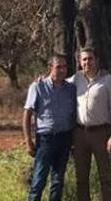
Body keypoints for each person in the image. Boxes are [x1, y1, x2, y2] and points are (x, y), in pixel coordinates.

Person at [70, 47, 111, 201]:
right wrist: (43, 79)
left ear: (97, 60)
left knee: (105, 176)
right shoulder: (76, 79)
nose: (87, 62)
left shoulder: (108, 81)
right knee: (81, 176)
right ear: (80, 62)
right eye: (84, 59)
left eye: (90, 58)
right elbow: (57, 82)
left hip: (101, 134)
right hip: (80, 134)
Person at [23, 54, 76, 201]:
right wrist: (28, 141)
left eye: (65, 67)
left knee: (58, 181)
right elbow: (27, 114)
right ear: (50, 68)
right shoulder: (38, 87)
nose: (62, 70)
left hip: (65, 139)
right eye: (58, 67)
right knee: (39, 180)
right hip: (46, 140)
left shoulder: (71, 89)